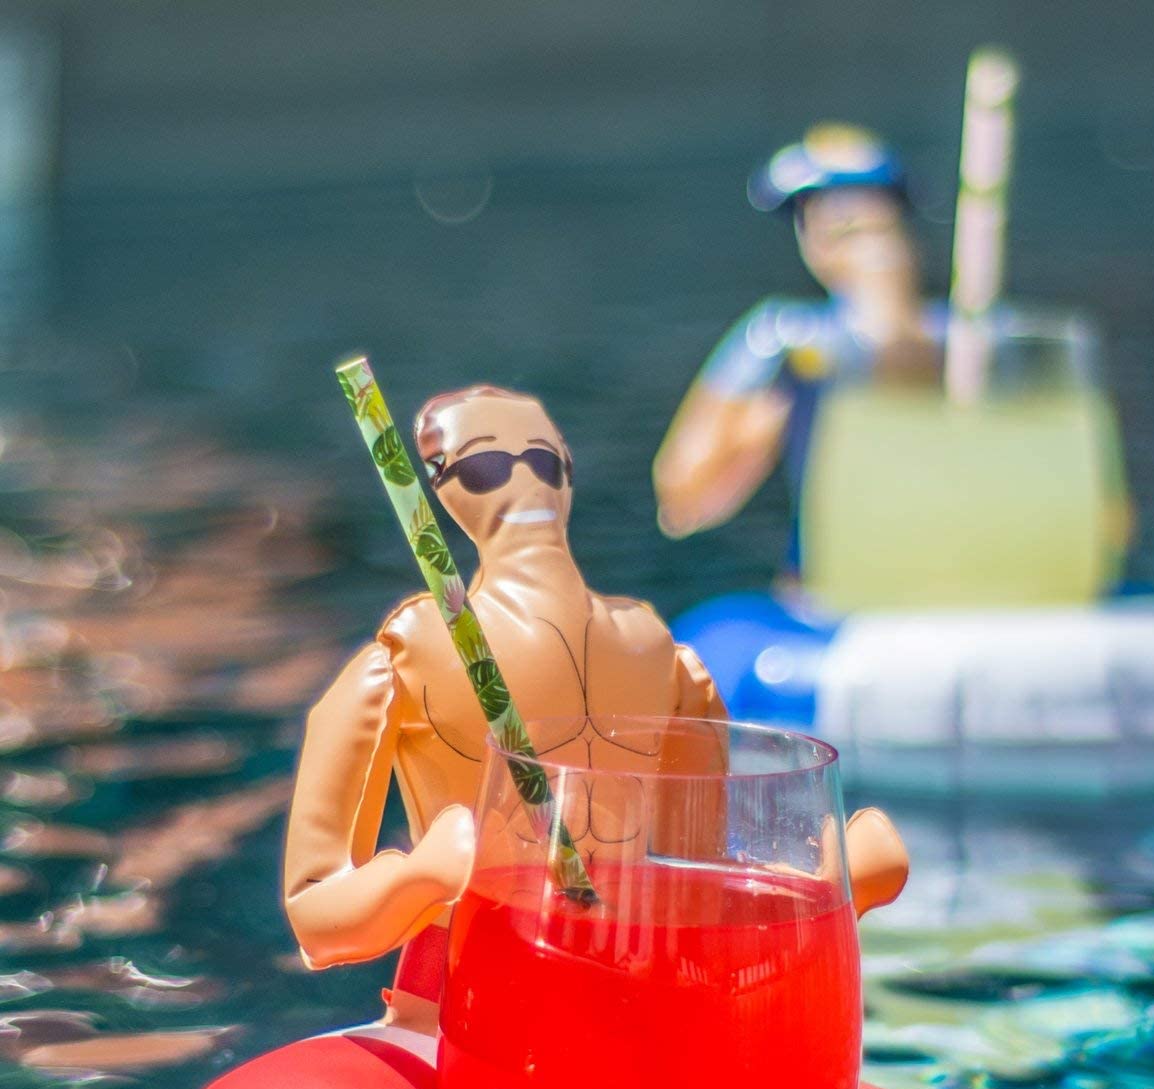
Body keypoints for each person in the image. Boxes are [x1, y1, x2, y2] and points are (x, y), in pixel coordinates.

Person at [284, 384, 908, 1033]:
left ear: (566, 476)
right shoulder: (408, 655)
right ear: (439, 487)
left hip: (626, 990)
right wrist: (418, 879)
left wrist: (802, 893)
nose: (520, 481)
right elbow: (316, 916)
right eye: (484, 465)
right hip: (461, 999)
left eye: (542, 461)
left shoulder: (661, 658)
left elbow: (693, 874)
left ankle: (830, 897)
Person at [654, 124, 942, 569]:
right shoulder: (787, 344)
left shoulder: (975, 337)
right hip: (831, 588)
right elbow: (685, 496)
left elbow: (906, 368)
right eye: (815, 213)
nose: (836, 227)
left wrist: (885, 294)